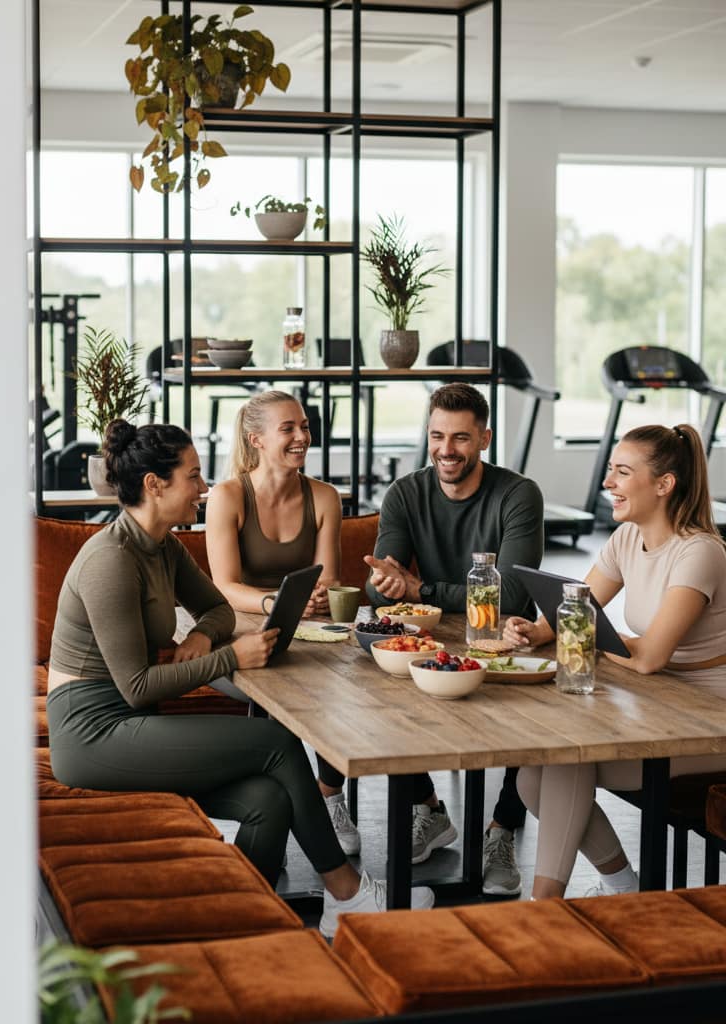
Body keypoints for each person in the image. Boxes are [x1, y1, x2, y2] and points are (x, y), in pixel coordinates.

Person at [46, 419, 433, 938]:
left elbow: (217, 609)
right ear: (154, 485)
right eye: (193, 477)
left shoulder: (163, 545)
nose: (204, 490)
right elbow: (135, 686)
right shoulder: (111, 560)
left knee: (266, 802)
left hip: (131, 720)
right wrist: (229, 660)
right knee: (274, 741)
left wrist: (204, 639)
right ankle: (348, 893)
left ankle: (239, 923)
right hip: (92, 733)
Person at [504, 423, 726, 900]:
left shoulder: (700, 552)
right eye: (610, 470)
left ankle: (544, 909)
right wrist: (536, 630)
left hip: (712, 724)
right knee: (530, 779)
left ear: (664, 485)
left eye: (622, 472)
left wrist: (581, 631)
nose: (608, 483)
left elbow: (647, 659)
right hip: (669, 710)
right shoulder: (627, 539)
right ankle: (622, 886)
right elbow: (577, 608)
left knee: (566, 763)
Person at [364, 382, 545, 896]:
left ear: (484, 438)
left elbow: (510, 595)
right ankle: (427, 808)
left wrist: (421, 590)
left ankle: (502, 830)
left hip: (510, 639)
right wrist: (391, 585)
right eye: (438, 436)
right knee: (380, 686)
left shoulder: (517, 493)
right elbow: (387, 591)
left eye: (461, 438)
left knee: (536, 717)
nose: (447, 450)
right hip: (435, 639)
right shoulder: (404, 492)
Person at [205, 390, 361, 854]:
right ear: (256, 439)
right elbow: (225, 586)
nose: (302, 437)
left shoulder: (324, 497)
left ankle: (330, 798)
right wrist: (276, 601)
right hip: (242, 630)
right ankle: (272, 807)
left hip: (308, 630)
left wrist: (315, 597)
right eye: (288, 428)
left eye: (305, 426)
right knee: (284, 684)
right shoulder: (227, 496)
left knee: (343, 677)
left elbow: (329, 578)